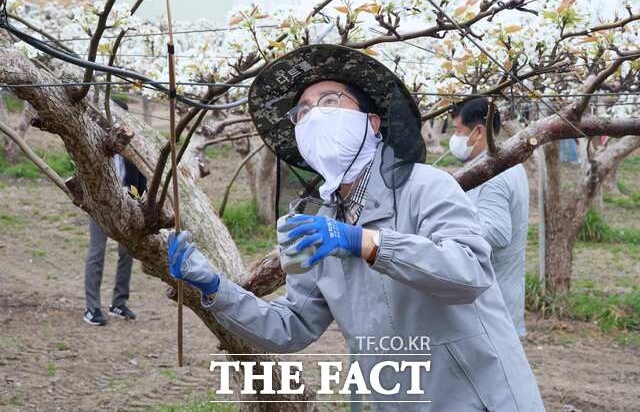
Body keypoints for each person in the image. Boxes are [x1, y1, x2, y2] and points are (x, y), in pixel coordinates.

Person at [168, 44, 544, 410]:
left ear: (372, 123)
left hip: (479, 396)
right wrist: (216, 288)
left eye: (330, 101)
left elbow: (470, 272)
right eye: (302, 112)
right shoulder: (322, 224)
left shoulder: (425, 187)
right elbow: (292, 325)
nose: (314, 116)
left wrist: (364, 241)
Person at [450, 98, 530, 338]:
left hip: (490, 303)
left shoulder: (494, 174)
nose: (454, 138)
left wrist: (442, 226)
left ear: (478, 131)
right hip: (491, 299)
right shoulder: (499, 164)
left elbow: (496, 232)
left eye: (457, 130)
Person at [83, 155, 147, 325]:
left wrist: (141, 207)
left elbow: (141, 179)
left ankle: (119, 303)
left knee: (127, 252)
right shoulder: (95, 148)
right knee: (97, 251)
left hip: (127, 207)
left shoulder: (131, 152)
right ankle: (92, 307)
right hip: (99, 206)